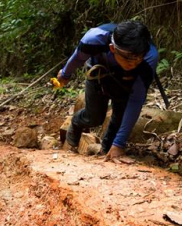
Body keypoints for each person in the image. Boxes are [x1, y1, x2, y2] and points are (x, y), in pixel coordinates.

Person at [56, 21, 158, 161]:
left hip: (127, 82)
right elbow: (78, 58)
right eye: (128, 58)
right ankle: (76, 123)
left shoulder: (149, 57)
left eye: (138, 58)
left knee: (120, 115)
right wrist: (65, 74)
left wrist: (119, 144)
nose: (133, 63)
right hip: (98, 73)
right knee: (94, 117)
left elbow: (136, 100)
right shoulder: (94, 39)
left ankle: (106, 150)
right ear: (112, 48)